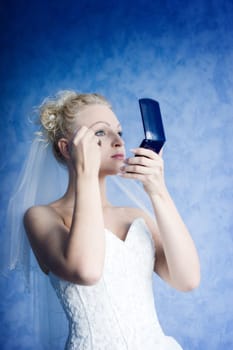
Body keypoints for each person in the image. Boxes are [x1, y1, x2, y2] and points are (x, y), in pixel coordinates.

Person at [7, 90, 200, 349]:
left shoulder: (136, 217)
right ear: (67, 148)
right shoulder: (41, 217)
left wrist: (158, 190)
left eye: (118, 132)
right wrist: (84, 173)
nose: (118, 141)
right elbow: (86, 271)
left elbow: (187, 280)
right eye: (100, 132)